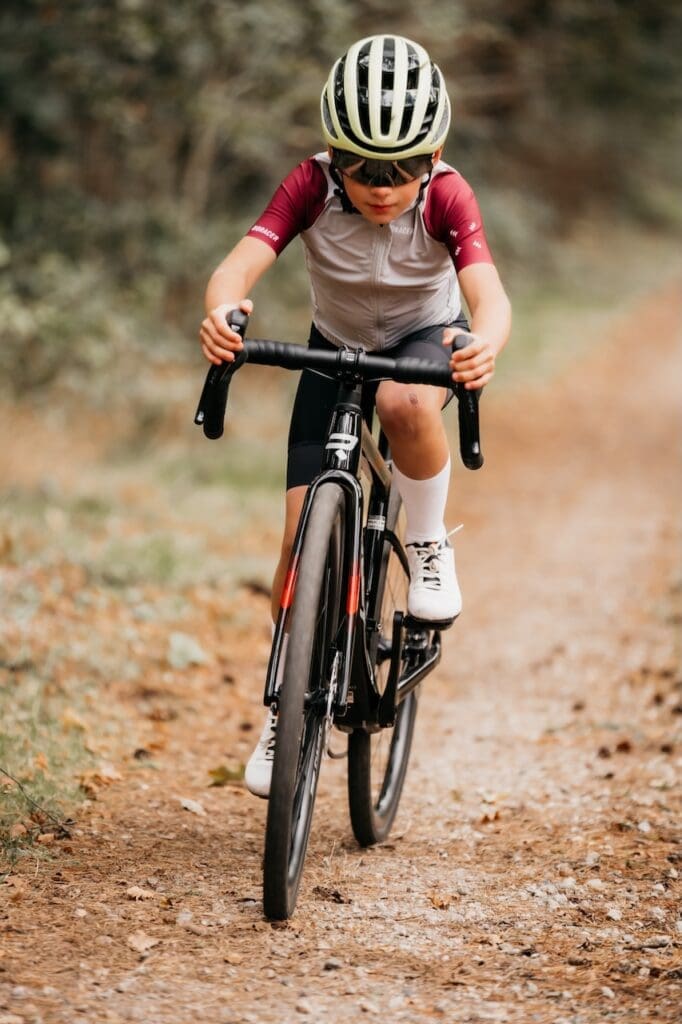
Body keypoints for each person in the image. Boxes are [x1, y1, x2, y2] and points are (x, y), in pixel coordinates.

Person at [199, 34, 511, 797]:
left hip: (419, 342)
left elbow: (489, 296)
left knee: (407, 401)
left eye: (403, 168)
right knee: (297, 539)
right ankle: (285, 711)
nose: (382, 185)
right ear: (334, 157)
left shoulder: (447, 196)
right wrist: (221, 310)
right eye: (363, 168)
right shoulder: (308, 185)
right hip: (332, 344)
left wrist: (487, 346)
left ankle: (428, 540)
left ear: (432, 158)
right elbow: (240, 263)